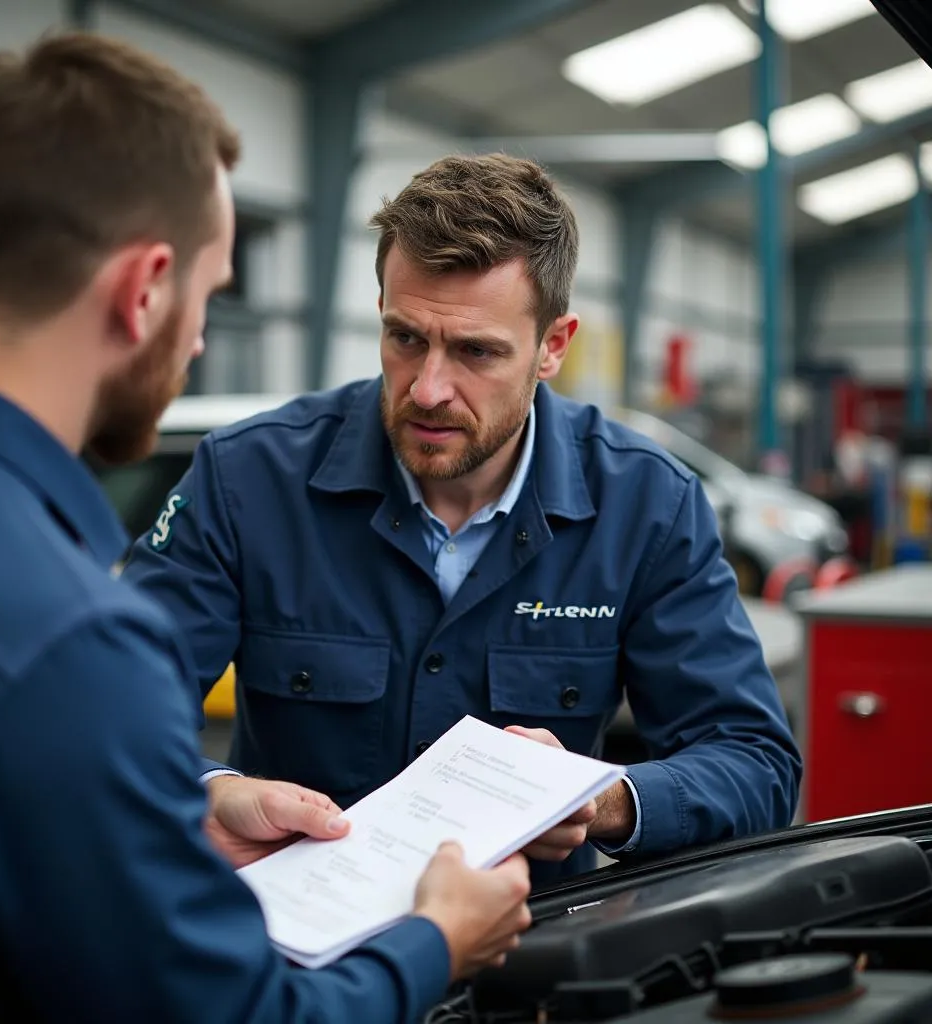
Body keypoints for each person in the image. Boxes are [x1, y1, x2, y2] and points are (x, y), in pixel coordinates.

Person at [0, 33, 535, 1024]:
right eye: (208, 295)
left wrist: (192, 799)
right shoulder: (63, 638)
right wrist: (433, 940)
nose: (199, 338)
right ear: (145, 287)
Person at [123, 153, 804, 890]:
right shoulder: (246, 480)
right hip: (300, 964)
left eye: (476, 351)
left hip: (533, 960)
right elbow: (109, 712)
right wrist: (211, 793)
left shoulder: (648, 506)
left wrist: (601, 799)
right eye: (405, 337)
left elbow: (754, 763)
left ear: (553, 346)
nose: (429, 388)